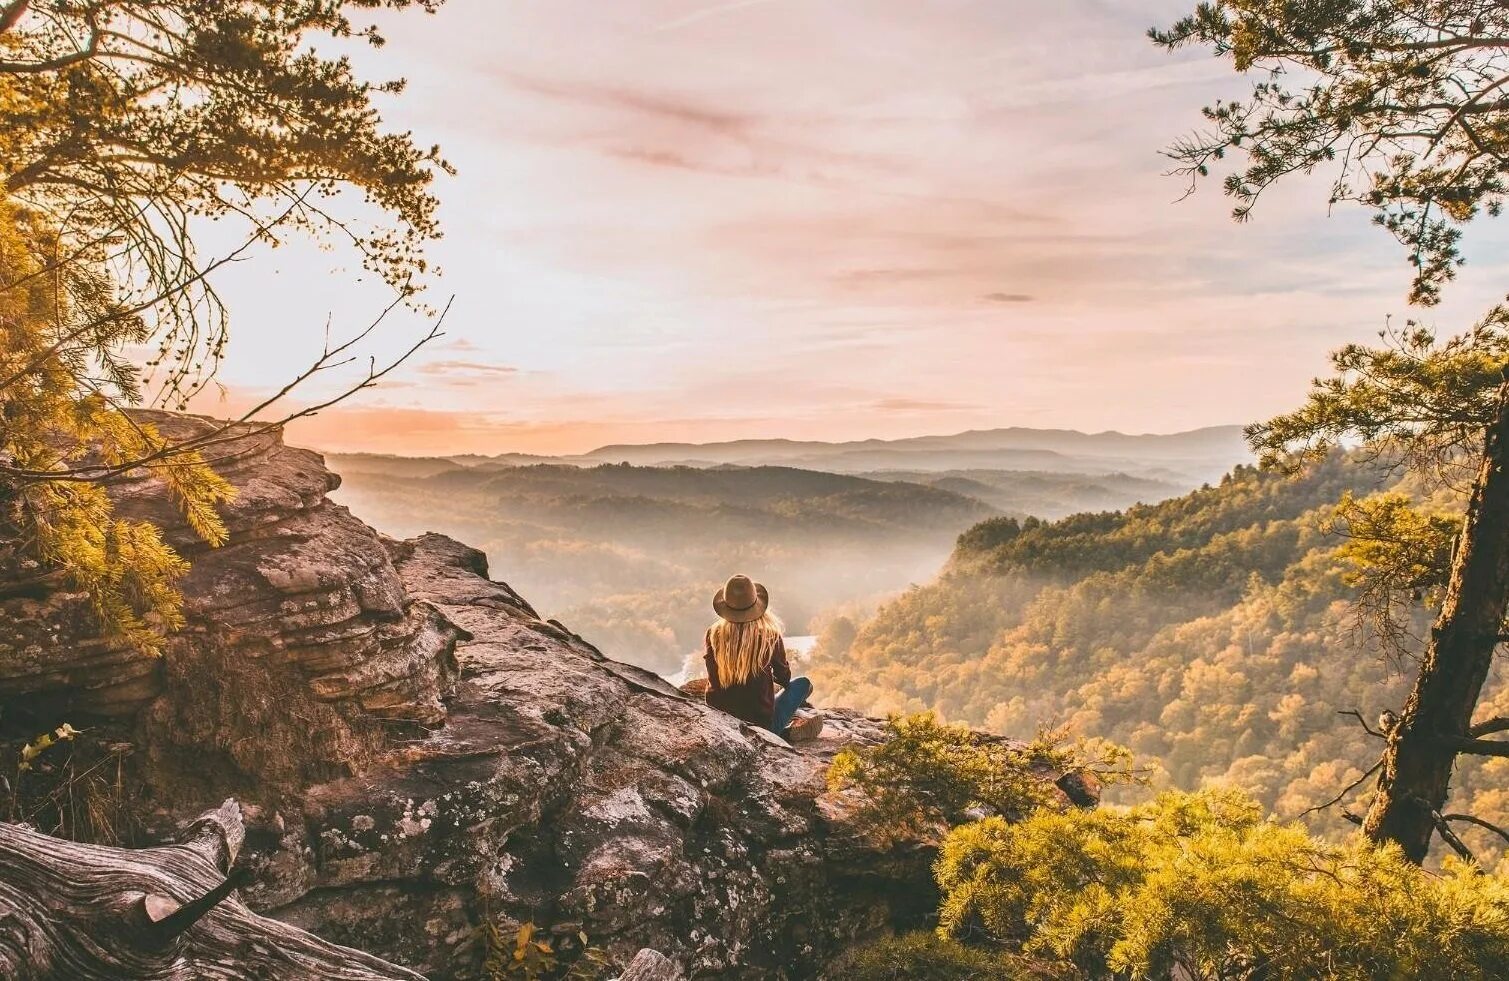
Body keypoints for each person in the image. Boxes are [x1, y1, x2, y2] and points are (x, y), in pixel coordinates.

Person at [704, 574, 823, 741]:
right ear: (756, 605)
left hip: (721, 723)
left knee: (765, 696)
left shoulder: (713, 634)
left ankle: (788, 726)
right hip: (761, 725)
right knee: (803, 684)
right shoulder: (769, 636)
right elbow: (785, 678)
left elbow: (711, 675)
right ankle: (783, 733)